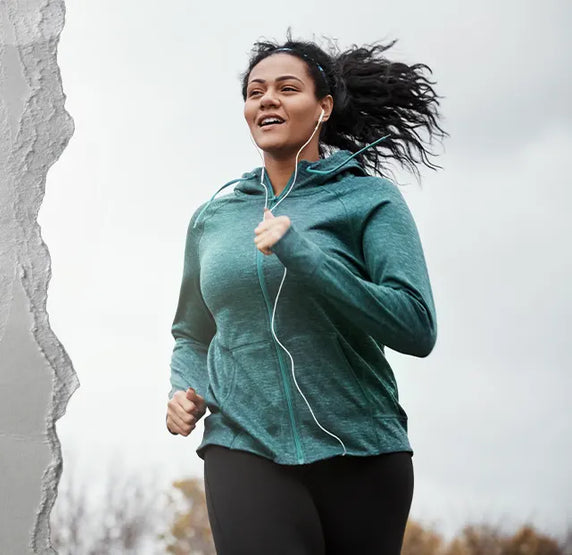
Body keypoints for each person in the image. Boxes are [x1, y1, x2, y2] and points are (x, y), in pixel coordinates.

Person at [165, 34, 446, 555]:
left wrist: (306, 255)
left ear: (324, 107)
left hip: (362, 450)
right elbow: (192, 333)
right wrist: (184, 389)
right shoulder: (214, 217)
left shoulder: (367, 198)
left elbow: (416, 325)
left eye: (286, 88)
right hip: (242, 442)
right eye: (255, 92)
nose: (266, 99)